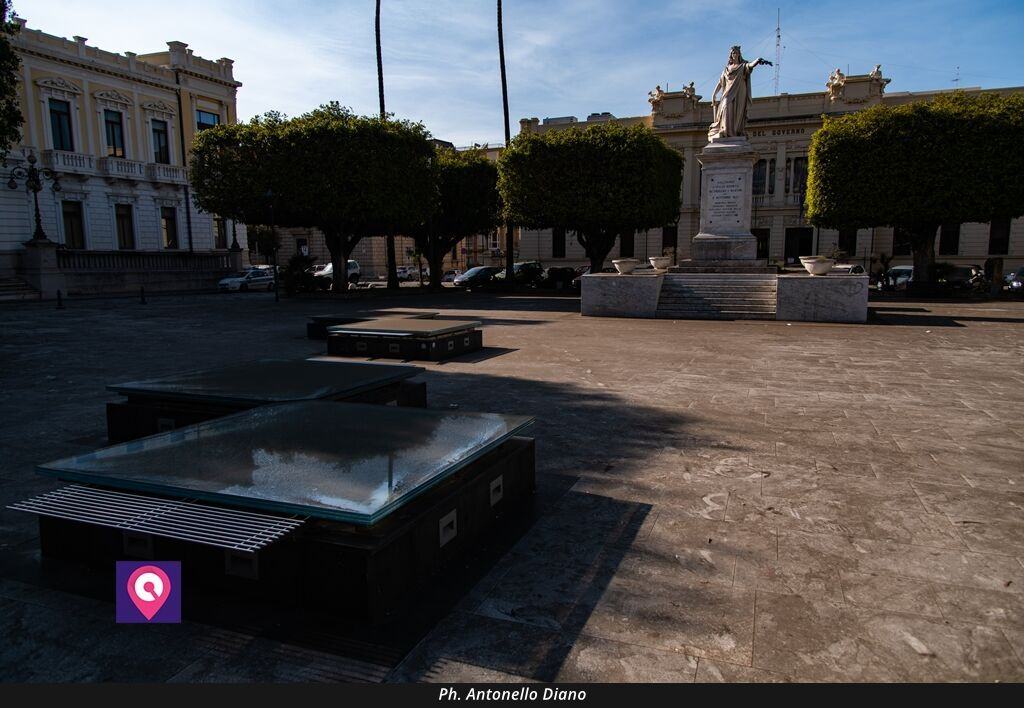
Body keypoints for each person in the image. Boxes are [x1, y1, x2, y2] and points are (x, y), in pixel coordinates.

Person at [708, 46, 771, 141]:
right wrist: (714, 94)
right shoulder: (727, 69)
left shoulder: (743, 66)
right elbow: (720, 82)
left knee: (738, 112)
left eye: (736, 52)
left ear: (739, 54)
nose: (735, 54)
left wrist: (757, 60)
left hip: (740, 91)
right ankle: (725, 131)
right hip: (727, 93)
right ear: (731, 55)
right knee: (725, 108)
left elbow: (750, 65)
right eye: (733, 52)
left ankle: (735, 132)